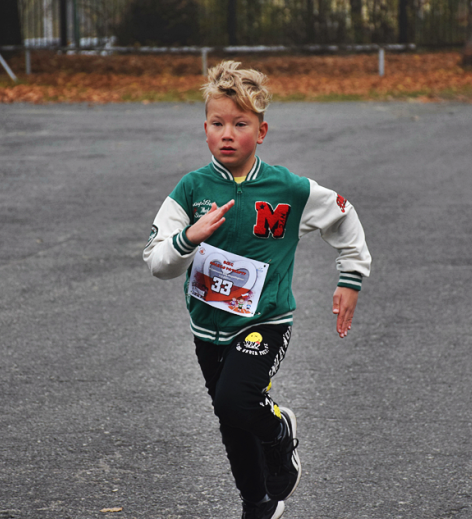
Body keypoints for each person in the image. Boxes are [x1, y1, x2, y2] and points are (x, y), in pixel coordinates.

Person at [143, 61, 372, 519]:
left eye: (240, 124)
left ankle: (278, 432)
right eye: (217, 123)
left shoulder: (288, 188)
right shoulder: (191, 190)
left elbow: (344, 217)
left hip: (265, 320)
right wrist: (189, 238)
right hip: (209, 327)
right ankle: (259, 505)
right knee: (229, 418)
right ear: (204, 128)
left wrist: (351, 277)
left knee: (237, 400)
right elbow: (157, 263)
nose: (227, 133)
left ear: (261, 131)